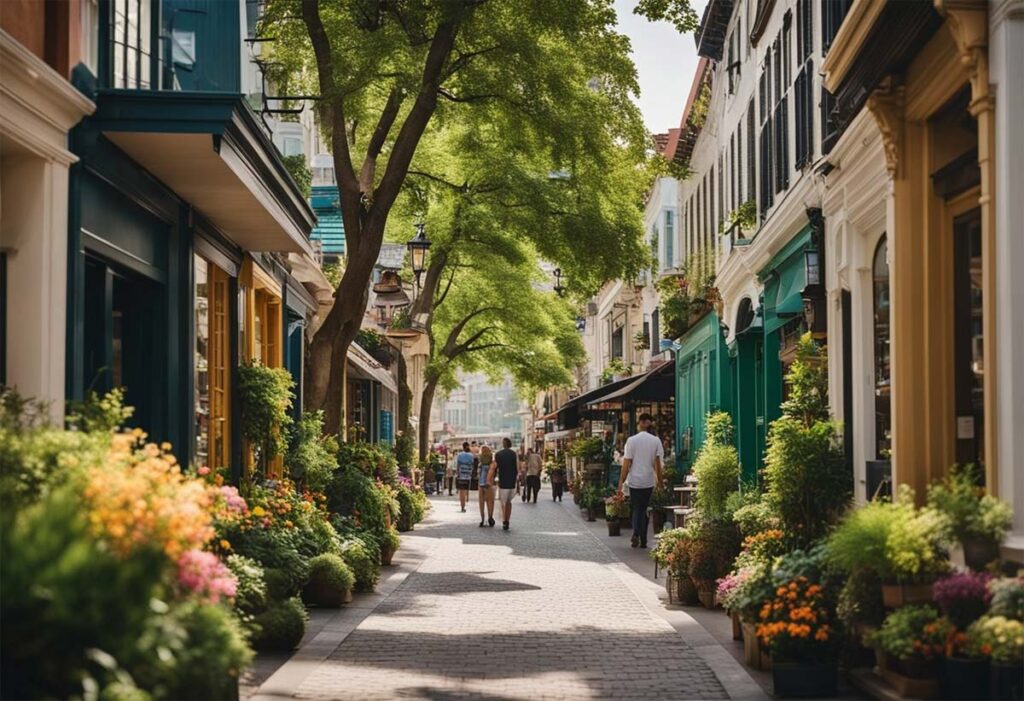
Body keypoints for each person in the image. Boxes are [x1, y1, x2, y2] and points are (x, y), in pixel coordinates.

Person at [617, 413, 664, 549]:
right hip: (648, 481)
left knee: (637, 508)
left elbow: (626, 463)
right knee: (644, 509)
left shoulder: (631, 440)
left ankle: (637, 534)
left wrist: (621, 482)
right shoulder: (655, 441)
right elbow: (658, 465)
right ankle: (643, 539)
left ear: (640, 423)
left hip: (635, 481)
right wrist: (660, 482)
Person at [490, 438, 520, 531]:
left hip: (502, 481)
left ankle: (504, 521)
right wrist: (517, 480)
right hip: (512, 481)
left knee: (503, 502)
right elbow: (517, 467)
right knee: (509, 502)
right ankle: (507, 520)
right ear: (510, 444)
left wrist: (492, 479)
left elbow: (494, 468)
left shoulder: (498, 454)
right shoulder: (514, 454)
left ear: (503, 444)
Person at [477, 445, 496, 527]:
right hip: (489, 484)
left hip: (481, 484)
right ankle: (490, 517)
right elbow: (491, 472)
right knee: (490, 502)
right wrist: (488, 481)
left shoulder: (480, 464)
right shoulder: (492, 463)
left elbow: (479, 474)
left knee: (481, 503)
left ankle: (482, 519)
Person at [455, 442, 475, 513]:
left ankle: (462, 506)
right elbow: (472, 465)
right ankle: (466, 499)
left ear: (462, 447)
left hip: (461, 475)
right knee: (466, 490)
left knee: (461, 492)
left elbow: (458, 466)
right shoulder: (471, 456)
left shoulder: (460, 455)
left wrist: (457, 474)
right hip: (468, 475)